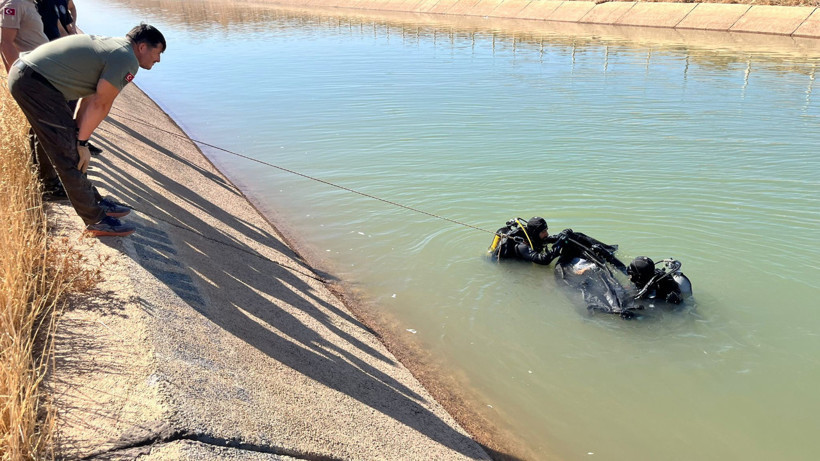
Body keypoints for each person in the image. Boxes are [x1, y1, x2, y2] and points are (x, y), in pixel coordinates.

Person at [8, 23, 166, 237]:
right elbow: (101, 104)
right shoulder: (126, 58)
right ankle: (96, 219)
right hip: (35, 82)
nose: (158, 60)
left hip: (29, 76)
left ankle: (52, 187)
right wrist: (81, 144)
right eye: (158, 53)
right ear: (142, 47)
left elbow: (89, 98)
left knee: (58, 138)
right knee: (68, 152)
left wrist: (79, 136)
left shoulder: (115, 49)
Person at [489, 216, 564, 265]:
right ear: (535, 233)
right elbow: (543, 260)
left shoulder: (534, 236)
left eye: (546, 230)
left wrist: (563, 235)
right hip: (502, 263)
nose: (547, 234)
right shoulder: (521, 245)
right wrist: (557, 248)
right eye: (543, 232)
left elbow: (548, 239)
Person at [0, 0, 47, 71]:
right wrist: (20, 71)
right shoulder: (14, 4)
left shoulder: (30, 4)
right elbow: (6, 42)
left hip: (42, 66)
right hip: (32, 69)